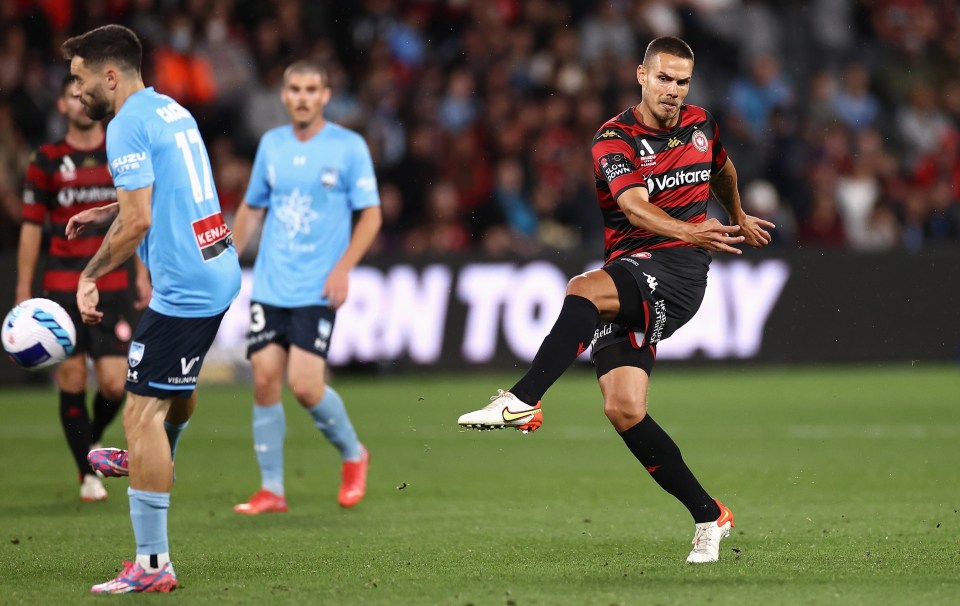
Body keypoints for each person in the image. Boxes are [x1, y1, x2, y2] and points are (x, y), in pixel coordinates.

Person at [457, 37, 774, 564]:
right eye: (665, 79)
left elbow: (722, 169)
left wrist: (737, 213)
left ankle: (523, 400)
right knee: (624, 408)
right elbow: (633, 208)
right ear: (641, 77)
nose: (673, 90)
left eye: (682, 81)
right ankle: (709, 515)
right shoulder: (614, 138)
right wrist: (696, 230)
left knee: (582, 290)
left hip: (679, 274)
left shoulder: (702, 124)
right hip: (635, 260)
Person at [61, 24, 241, 593]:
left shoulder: (124, 125)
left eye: (79, 77)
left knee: (140, 415)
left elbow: (140, 223)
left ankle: (152, 564)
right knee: (173, 396)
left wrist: (89, 275)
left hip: (184, 286)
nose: (75, 90)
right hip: (217, 266)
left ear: (109, 75)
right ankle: (155, 458)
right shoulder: (170, 110)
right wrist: (108, 208)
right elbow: (165, 188)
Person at [230, 60, 381, 514]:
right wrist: (228, 262)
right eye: (294, 88)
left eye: (311, 89)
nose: (302, 97)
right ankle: (272, 490)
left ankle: (354, 454)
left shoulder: (349, 147)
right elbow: (252, 208)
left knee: (305, 386)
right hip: (271, 284)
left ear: (326, 95)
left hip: (317, 287)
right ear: (283, 94)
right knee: (264, 381)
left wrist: (343, 269)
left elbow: (370, 215)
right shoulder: (271, 145)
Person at [16, 74, 150, 503]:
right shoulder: (47, 160)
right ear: (61, 107)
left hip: (114, 282)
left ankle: (88, 441)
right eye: (69, 95)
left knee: (113, 384)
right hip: (61, 288)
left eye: (82, 94)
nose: (77, 101)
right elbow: (32, 228)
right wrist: (23, 287)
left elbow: (136, 215)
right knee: (72, 377)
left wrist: (143, 274)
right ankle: (86, 471)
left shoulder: (120, 152)